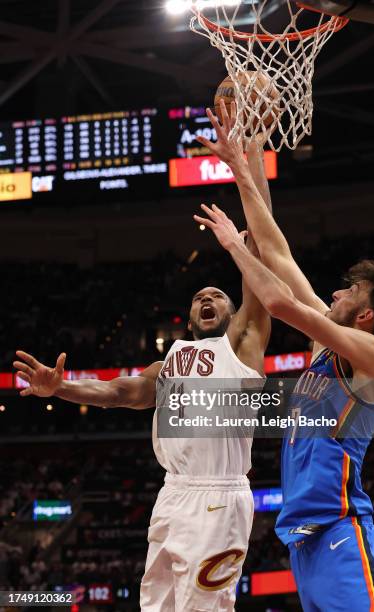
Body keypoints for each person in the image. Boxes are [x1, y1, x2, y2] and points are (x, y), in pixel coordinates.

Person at [13, 146, 271, 612]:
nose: (208, 299)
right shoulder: (169, 361)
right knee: (157, 607)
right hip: (172, 493)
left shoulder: (243, 345)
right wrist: (62, 388)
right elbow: (117, 392)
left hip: (218, 492)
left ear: (234, 313)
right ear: (188, 315)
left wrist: (248, 163)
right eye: (199, 297)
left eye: (217, 295)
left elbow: (265, 255)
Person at [195, 99, 374, 611]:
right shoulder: (326, 345)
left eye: (348, 292)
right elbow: (278, 252)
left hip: (341, 530)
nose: (335, 294)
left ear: (367, 316)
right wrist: (243, 166)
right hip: (304, 539)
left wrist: (232, 245)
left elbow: (277, 301)